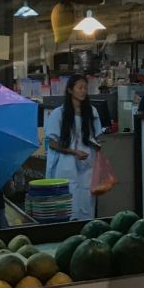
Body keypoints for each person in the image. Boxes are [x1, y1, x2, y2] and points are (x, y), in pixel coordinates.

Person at [44, 74, 104, 220]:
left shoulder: (92, 112)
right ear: (70, 90)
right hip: (65, 166)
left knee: (86, 204)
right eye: (80, 88)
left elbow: (97, 137)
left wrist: (96, 145)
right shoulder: (59, 114)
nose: (83, 91)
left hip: (87, 165)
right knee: (67, 205)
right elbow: (52, 143)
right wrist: (73, 151)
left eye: (85, 88)